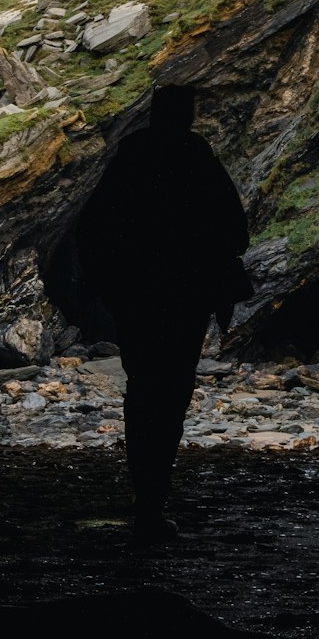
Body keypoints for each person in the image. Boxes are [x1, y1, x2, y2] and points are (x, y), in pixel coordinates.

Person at [78, 83, 249, 541]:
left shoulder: (129, 161)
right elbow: (235, 229)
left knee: (142, 389)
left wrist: (112, 282)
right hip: (186, 296)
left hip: (136, 296)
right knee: (172, 393)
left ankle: (144, 490)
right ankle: (154, 495)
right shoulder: (197, 160)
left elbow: (91, 228)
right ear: (187, 115)